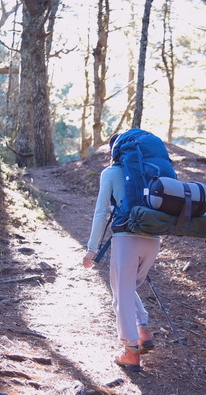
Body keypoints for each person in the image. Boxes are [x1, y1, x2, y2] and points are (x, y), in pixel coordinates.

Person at [82, 133, 159, 372]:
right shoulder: (152, 170)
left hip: (126, 240)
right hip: (154, 239)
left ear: (114, 152)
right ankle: (143, 331)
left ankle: (131, 353)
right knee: (126, 289)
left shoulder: (110, 173)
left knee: (121, 297)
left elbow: (101, 212)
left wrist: (92, 249)